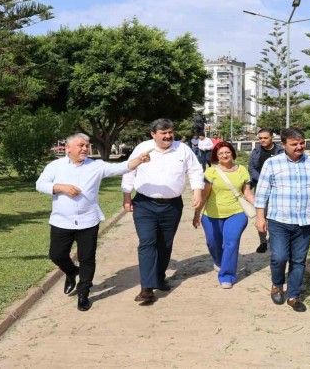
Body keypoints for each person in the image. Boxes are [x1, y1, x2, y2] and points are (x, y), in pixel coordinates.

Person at [36, 133, 151, 311]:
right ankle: (72, 272)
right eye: (81, 145)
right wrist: (60, 188)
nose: (85, 148)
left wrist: (138, 160)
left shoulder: (96, 166)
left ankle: (83, 293)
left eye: (86, 145)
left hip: (88, 220)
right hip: (61, 220)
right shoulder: (55, 166)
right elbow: (40, 184)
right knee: (56, 255)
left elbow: (121, 167)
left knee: (87, 258)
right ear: (68, 148)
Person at [254, 127, 310, 313]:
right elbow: (261, 193)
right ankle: (277, 284)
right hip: (278, 219)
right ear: (283, 145)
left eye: (302, 143)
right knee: (279, 257)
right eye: (294, 144)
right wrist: (260, 218)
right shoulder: (272, 164)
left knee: (299, 260)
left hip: (305, 220)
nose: (299, 147)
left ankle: (293, 295)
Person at [122, 119, 204, 303]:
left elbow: (195, 171)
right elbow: (129, 171)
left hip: (172, 205)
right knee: (147, 242)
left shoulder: (182, 149)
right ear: (153, 134)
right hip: (144, 205)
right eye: (163, 133)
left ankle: (159, 277)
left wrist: (197, 192)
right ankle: (146, 288)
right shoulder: (143, 148)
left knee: (165, 244)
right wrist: (126, 196)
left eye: (170, 132)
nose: (168, 136)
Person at [193, 141, 255, 289]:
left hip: (236, 213)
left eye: (227, 152)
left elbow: (247, 193)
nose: (224, 155)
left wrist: (260, 208)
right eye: (220, 153)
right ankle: (219, 261)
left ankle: (227, 276)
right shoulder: (211, 172)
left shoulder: (242, 170)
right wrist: (197, 213)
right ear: (216, 156)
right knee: (212, 243)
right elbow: (204, 195)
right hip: (211, 214)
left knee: (231, 242)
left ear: (232, 153)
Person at [247, 128, 284, 254]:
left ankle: (275, 239)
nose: (262, 140)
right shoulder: (256, 151)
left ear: (272, 138)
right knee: (261, 214)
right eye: (260, 138)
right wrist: (262, 179)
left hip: (279, 187)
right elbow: (251, 167)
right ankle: (263, 241)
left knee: (276, 215)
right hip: (261, 187)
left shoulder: (280, 151)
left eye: (265, 138)